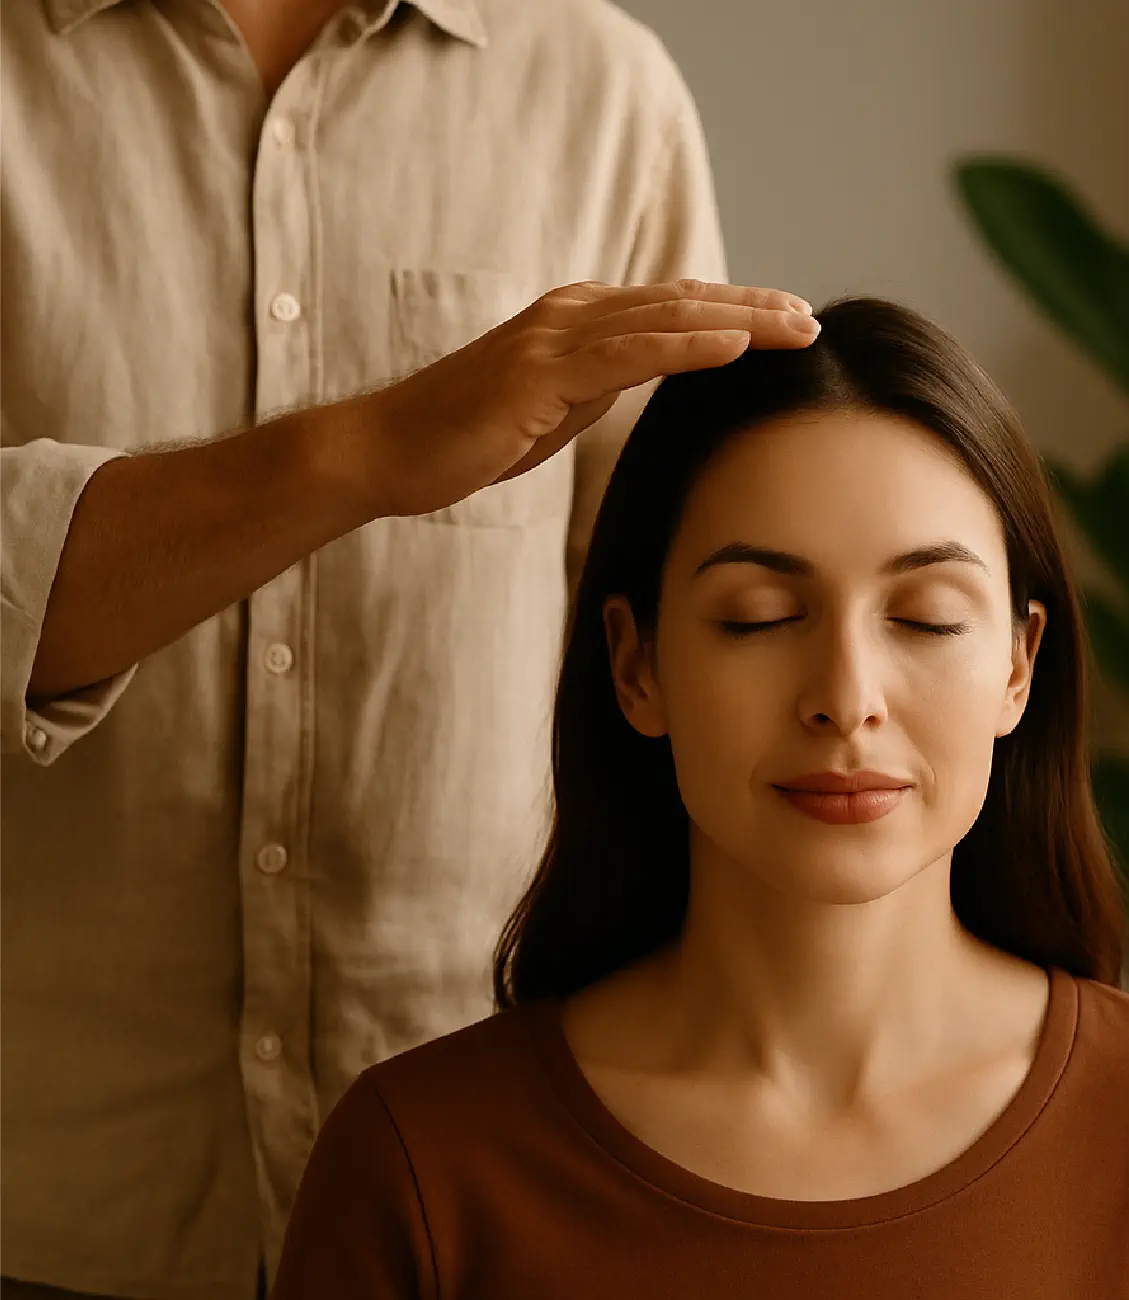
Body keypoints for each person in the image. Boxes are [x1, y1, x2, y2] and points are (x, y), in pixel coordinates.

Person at [0, 1, 822, 1295]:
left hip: (498, 1204)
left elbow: (675, 650)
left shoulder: (602, 91)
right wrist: (368, 450)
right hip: (47, 1208)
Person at [271, 297, 1129, 1299]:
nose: (846, 699)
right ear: (635, 666)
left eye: (924, 618)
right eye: (758, 618)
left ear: (1018, 667)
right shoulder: (424, 1163)